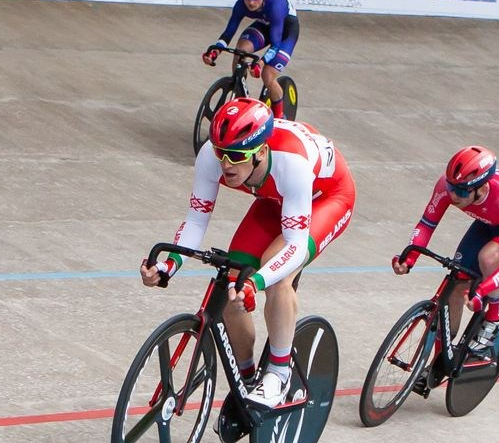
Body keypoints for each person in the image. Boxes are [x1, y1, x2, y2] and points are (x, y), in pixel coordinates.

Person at [143, 97, 356, 408]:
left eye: (236, 156)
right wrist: (168, 266)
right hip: (274, 198)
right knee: (232, 283)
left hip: (327, 197)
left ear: (261, 152)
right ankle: (246, 380)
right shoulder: (211, 157)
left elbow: (295, 245)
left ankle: (279, 375)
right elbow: (196, 220)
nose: (226, 164)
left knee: (275, 276)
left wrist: (256, 282)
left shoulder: (291, 163)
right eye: (221, 153)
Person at [393, 146, 499, 356]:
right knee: (457, 281)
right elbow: (426, 224)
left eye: (463, 191)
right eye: (452, 187)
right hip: (489, 222)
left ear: (482, 188)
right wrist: (409, 258)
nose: (454, 195)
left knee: (489, 257)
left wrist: (483, 289)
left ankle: (494, 317)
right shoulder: (448, 187)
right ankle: (436, 365)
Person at [202, 0, 297, 110]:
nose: (251, 2)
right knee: (241, 50)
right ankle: (239, 92)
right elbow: (229, 32)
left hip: (284, 33)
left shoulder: (276, 5)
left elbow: (276, 43)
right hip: (264, 25)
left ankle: (279, 117)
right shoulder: (240, 5)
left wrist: (261, 62)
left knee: (267, 75)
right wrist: (215, 51)